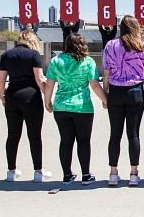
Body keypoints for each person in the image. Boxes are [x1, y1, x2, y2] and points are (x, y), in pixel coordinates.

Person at [45, 33, 108, 185]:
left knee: (66, 141)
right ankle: (86, 175)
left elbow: (49, 84)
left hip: (61, 106)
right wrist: (105, 100)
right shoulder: (88, 62)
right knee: (84, 141)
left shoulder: (56, 61)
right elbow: (94, 84)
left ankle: (67, 175)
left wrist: (47, 102)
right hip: (82, 107)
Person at [103, 15, 144, 187]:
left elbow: (106, 72)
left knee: (115, 134)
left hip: (115, 91)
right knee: (133, 134)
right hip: (135, 91)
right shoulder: (142, 46)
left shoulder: (111, 45)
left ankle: (113, 174)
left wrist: (105, 94)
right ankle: (133, 173)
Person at [0, 30, 50, 182]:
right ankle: (38, 172)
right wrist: (47, 98)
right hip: (31, 96)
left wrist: (2, 95)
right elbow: (39, 78)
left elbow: (1, 80)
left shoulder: (6, 55)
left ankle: (11, 171)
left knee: (13, 135)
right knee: (34, 136)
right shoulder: (34, 55)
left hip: (12, 95)